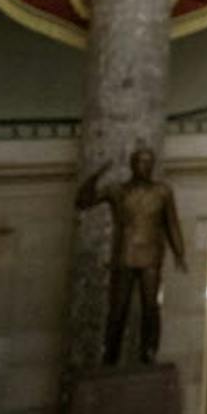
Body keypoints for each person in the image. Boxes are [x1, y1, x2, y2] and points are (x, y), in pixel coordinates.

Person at [73, 145, 185, 364]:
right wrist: (96, 176)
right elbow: (83, 201)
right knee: (118, 307)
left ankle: (149, 352)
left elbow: (171, 223)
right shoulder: (117, 190)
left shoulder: (162, 191)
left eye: (149, 162)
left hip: (151, 255)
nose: (146, 167)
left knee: (150, 306)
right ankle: (110, 355)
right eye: (142, 162)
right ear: (133, 165)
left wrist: (179, 252)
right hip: (124, 254)